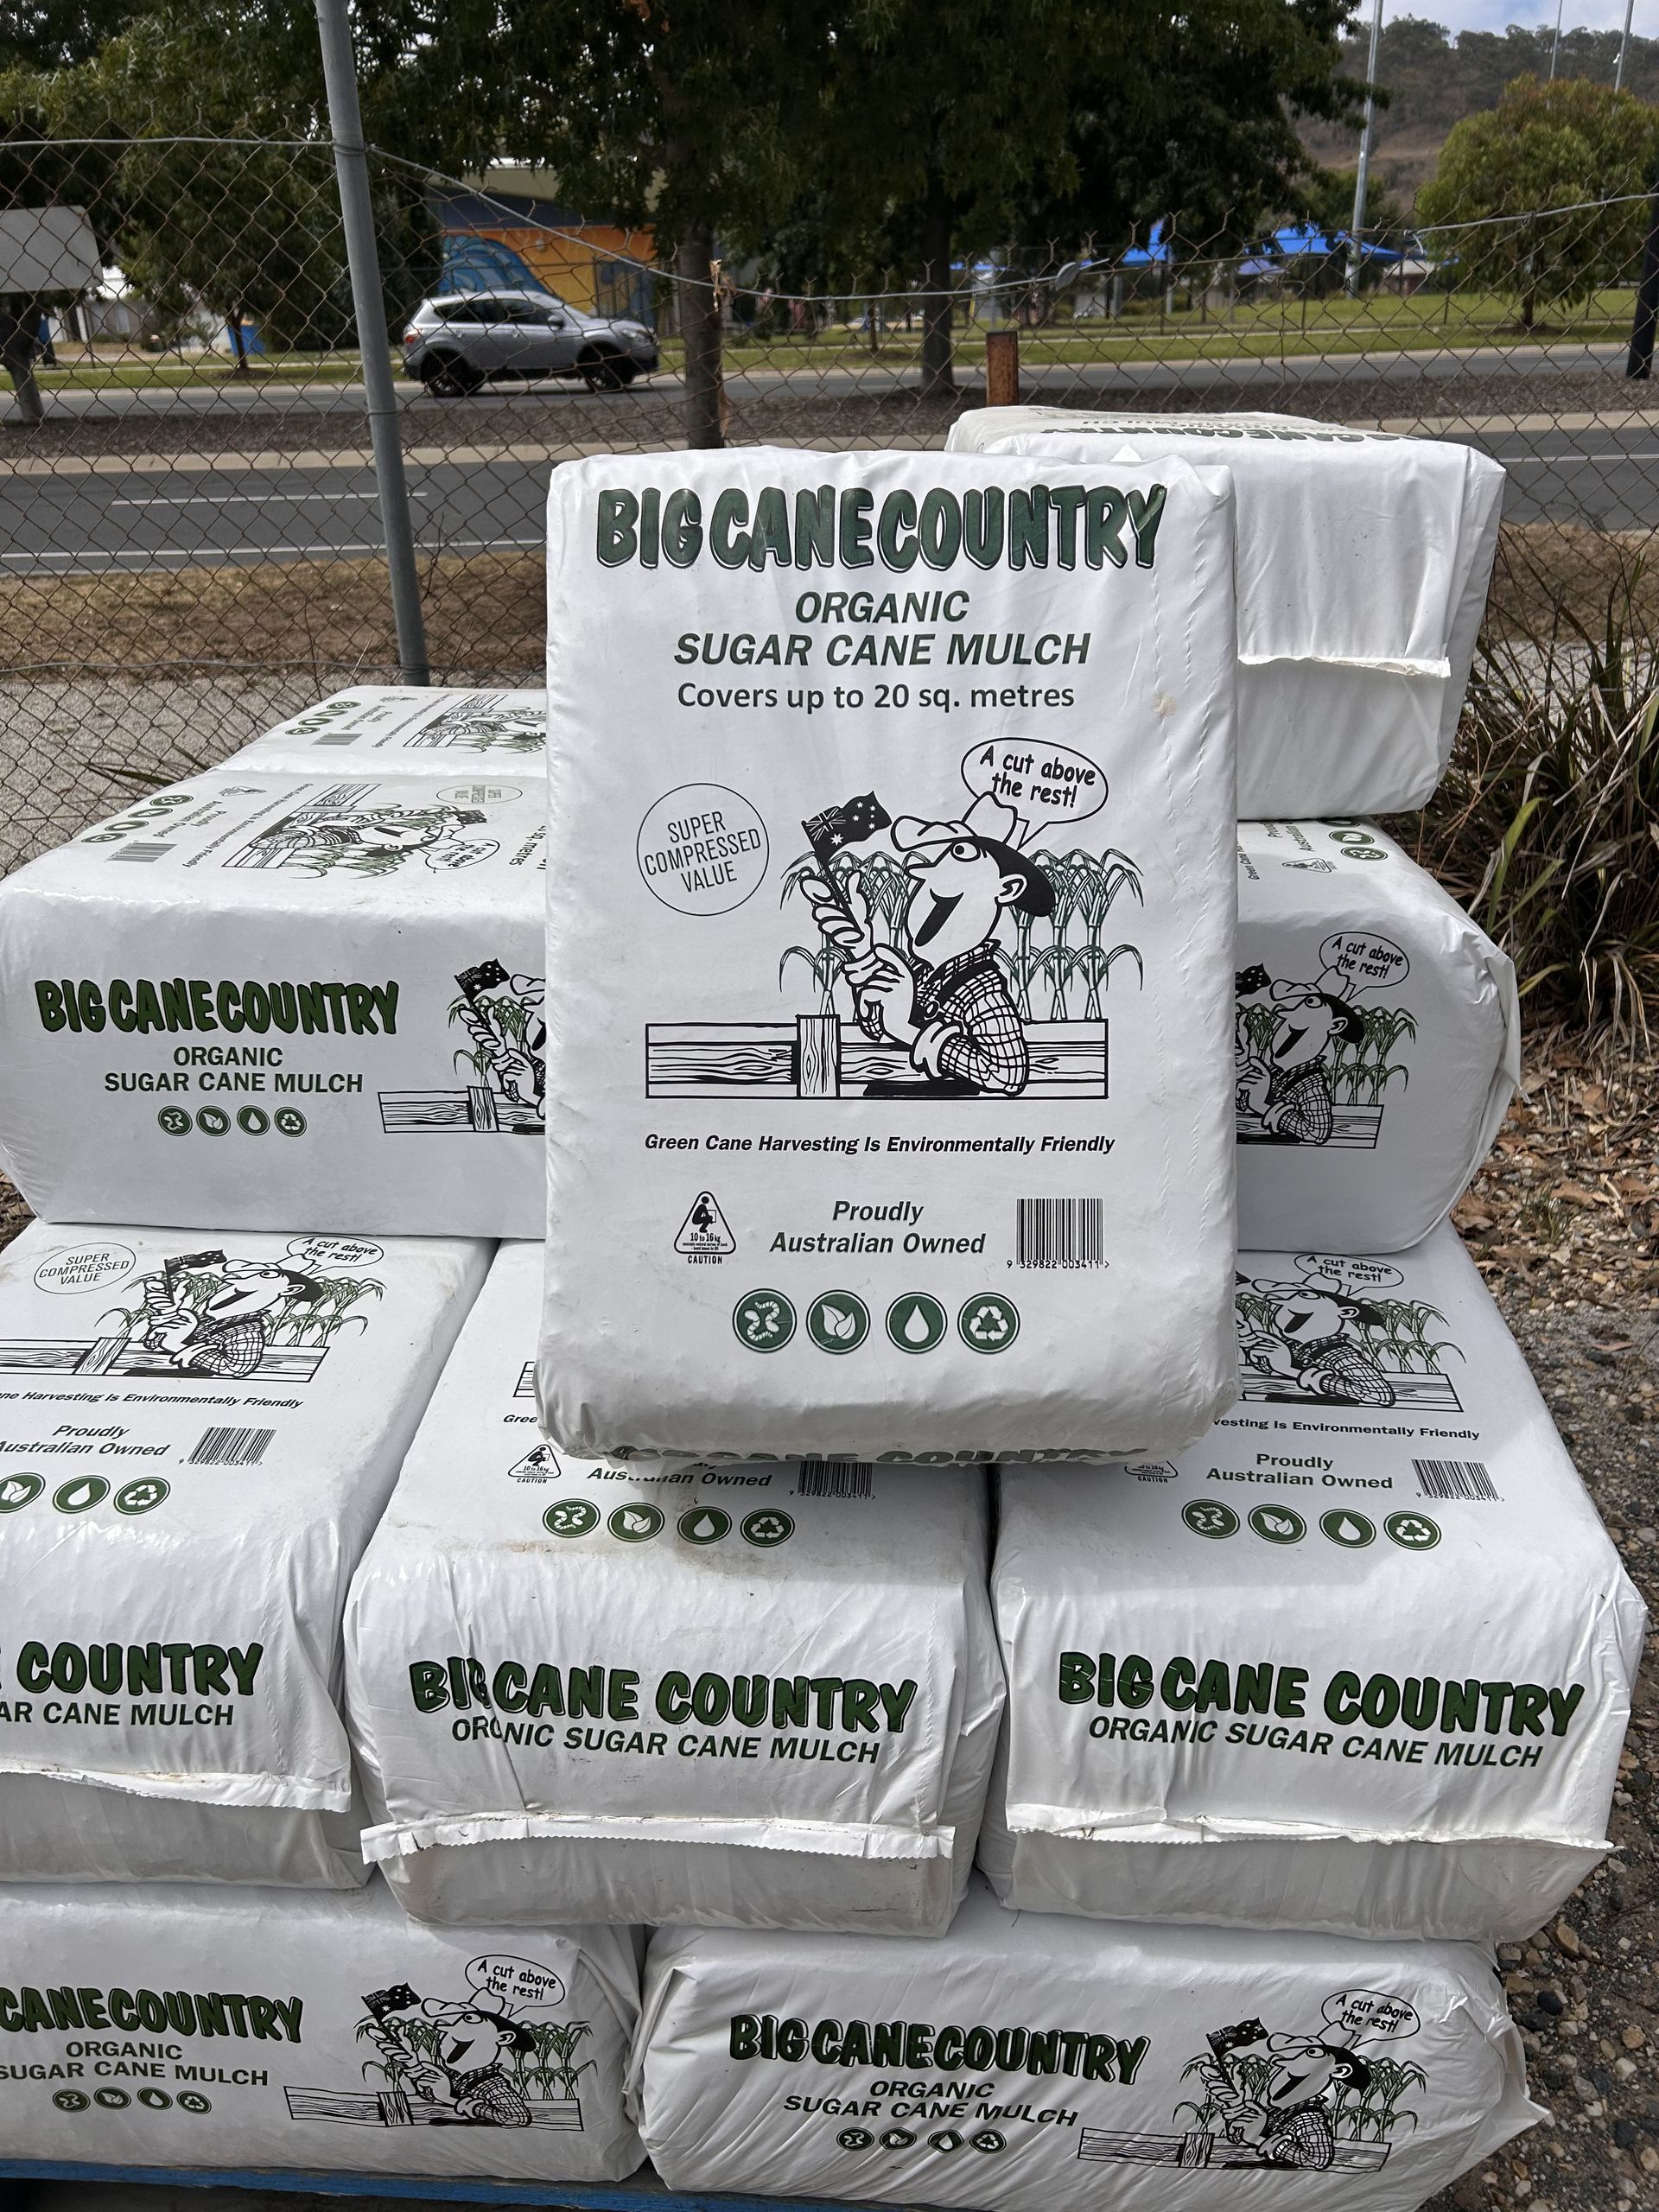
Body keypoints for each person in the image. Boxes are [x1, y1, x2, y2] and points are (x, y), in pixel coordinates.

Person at [800, 793, 1052, 1096]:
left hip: (951, 1130)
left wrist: (908, 1029)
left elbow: (1008, 1074)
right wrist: (862, 955)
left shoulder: (979, 991)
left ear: (1008, 889)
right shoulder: (919, 973)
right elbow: (878, 1029)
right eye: (929, 881)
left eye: (961, 855)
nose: (926, 878)